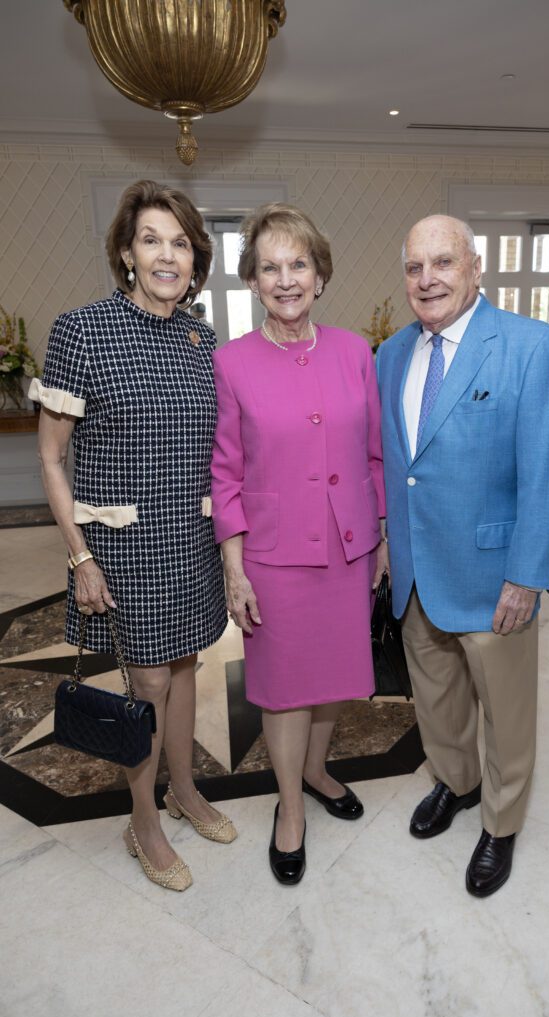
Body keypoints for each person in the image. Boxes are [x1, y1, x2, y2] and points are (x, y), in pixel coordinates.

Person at [31, 180, 235, 893]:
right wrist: (79, 555)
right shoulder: (81, 329)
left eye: (180, 242)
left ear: (196, 257)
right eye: (152, 239)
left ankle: (182, 789)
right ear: (125, 252)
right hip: (121, 547)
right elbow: (52, 456)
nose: (167, 255)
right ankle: (142, 820)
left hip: (189, 541)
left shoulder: (202, 338)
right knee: (148, 681)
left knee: (186, 670)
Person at [376, 214, 549, 897]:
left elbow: (546, 471)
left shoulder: (531, 346)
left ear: (475, 267)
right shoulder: (391, 355)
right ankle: (456, 784)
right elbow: (397, 467)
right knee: (435, 700)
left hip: (494, 577)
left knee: (505, 709)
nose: (426, 279)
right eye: (413, 267)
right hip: (415, 573)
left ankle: (500, 821)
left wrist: (525, 575)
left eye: (442, 263)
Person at [211, 202, 387, 885]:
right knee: (284, 690)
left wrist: (378, 537)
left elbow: (373, 455)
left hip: (346, 548)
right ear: (252, 281)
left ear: (319, 275)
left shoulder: (353, 351)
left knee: (335, 676)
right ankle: (290, 806)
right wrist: (234, 567)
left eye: (298, 264)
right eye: (270, 267)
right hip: (274, 558)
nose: (286, 279)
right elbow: (224, 472)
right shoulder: (231, 363)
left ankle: (317, 769)